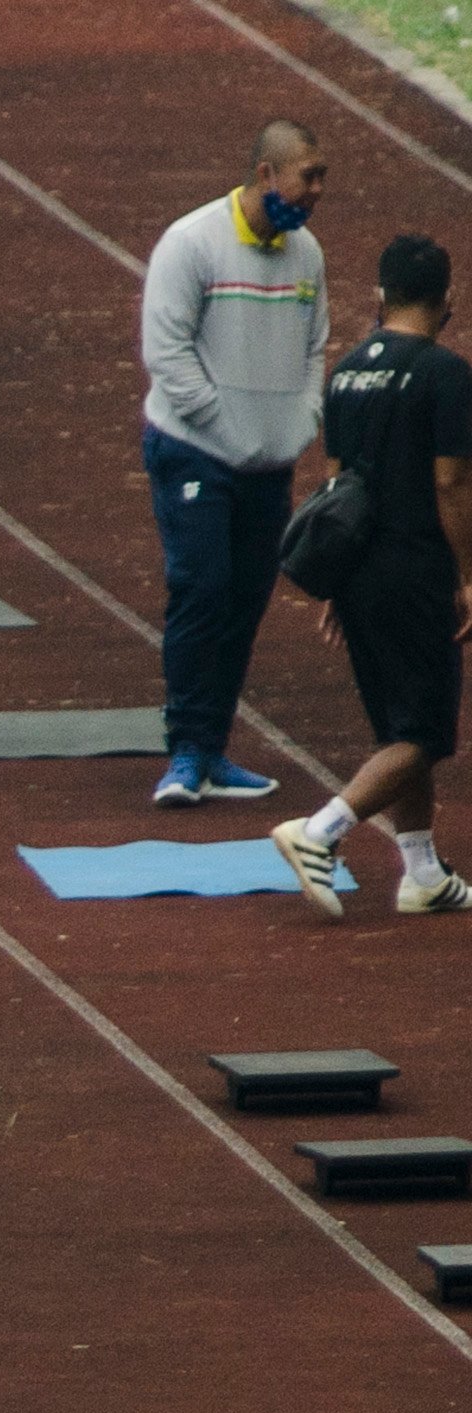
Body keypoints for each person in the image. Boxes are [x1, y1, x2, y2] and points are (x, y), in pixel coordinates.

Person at [277, 233, 472, 919]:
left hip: (358, 568)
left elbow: (336, 486)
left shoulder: (347, 373)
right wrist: (468, 575)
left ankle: (421, 869)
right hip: (415, 570)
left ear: (380, 295)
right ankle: (319, 832)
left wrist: (336, 581)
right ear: (447, 298)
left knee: (400, 725)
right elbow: (450, 483)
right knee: (423, 733)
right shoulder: (447, 376)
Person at [142, 126, 324, 810]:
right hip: (195, 452)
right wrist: (230, 424)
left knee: (245, 601)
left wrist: (300, 420)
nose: (316, 193)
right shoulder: (191, 244)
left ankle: (213, 746)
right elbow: (167, 353)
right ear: (267, 172)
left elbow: (314, 347)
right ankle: (186, 749)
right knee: (201, 588)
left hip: (266, 465)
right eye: (308, 177)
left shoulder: (306, 256)